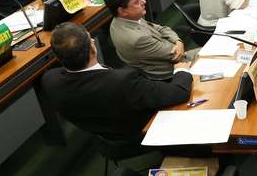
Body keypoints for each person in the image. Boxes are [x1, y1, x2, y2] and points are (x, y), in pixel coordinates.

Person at [41, 22, 192, 142]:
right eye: (90, 39)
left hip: (104, 139)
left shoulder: (50, 80)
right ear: (92, 47)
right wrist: (181, 70)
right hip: (142, 132)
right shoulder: (123, 82)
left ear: (57, 56)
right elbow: (179, 92)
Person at [105, 0, 191, 80]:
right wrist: (179, 44)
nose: (144, 1)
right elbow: (177, 54)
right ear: (122, 11)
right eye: (137, 1)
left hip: (170, 55)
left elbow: (161, 28)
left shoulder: (123, 18)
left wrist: (178, 41)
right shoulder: (137, 39)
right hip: (171, 71)